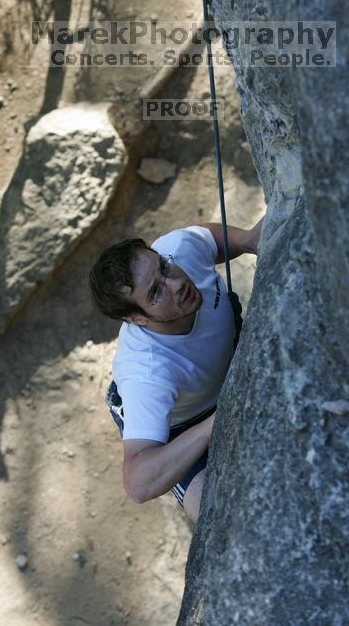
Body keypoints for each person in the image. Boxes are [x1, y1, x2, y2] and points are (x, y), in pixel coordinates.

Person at [89, 219, 263, 521]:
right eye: (156, 292)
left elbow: (208, 238)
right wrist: (214, 425)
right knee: (220, 518)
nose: (177, 284)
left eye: (164, 268)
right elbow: (139, 482)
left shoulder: (177, 251)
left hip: (217, 374)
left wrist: (248, 240)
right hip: (177, 425)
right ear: (136, 319)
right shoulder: (147, 374)